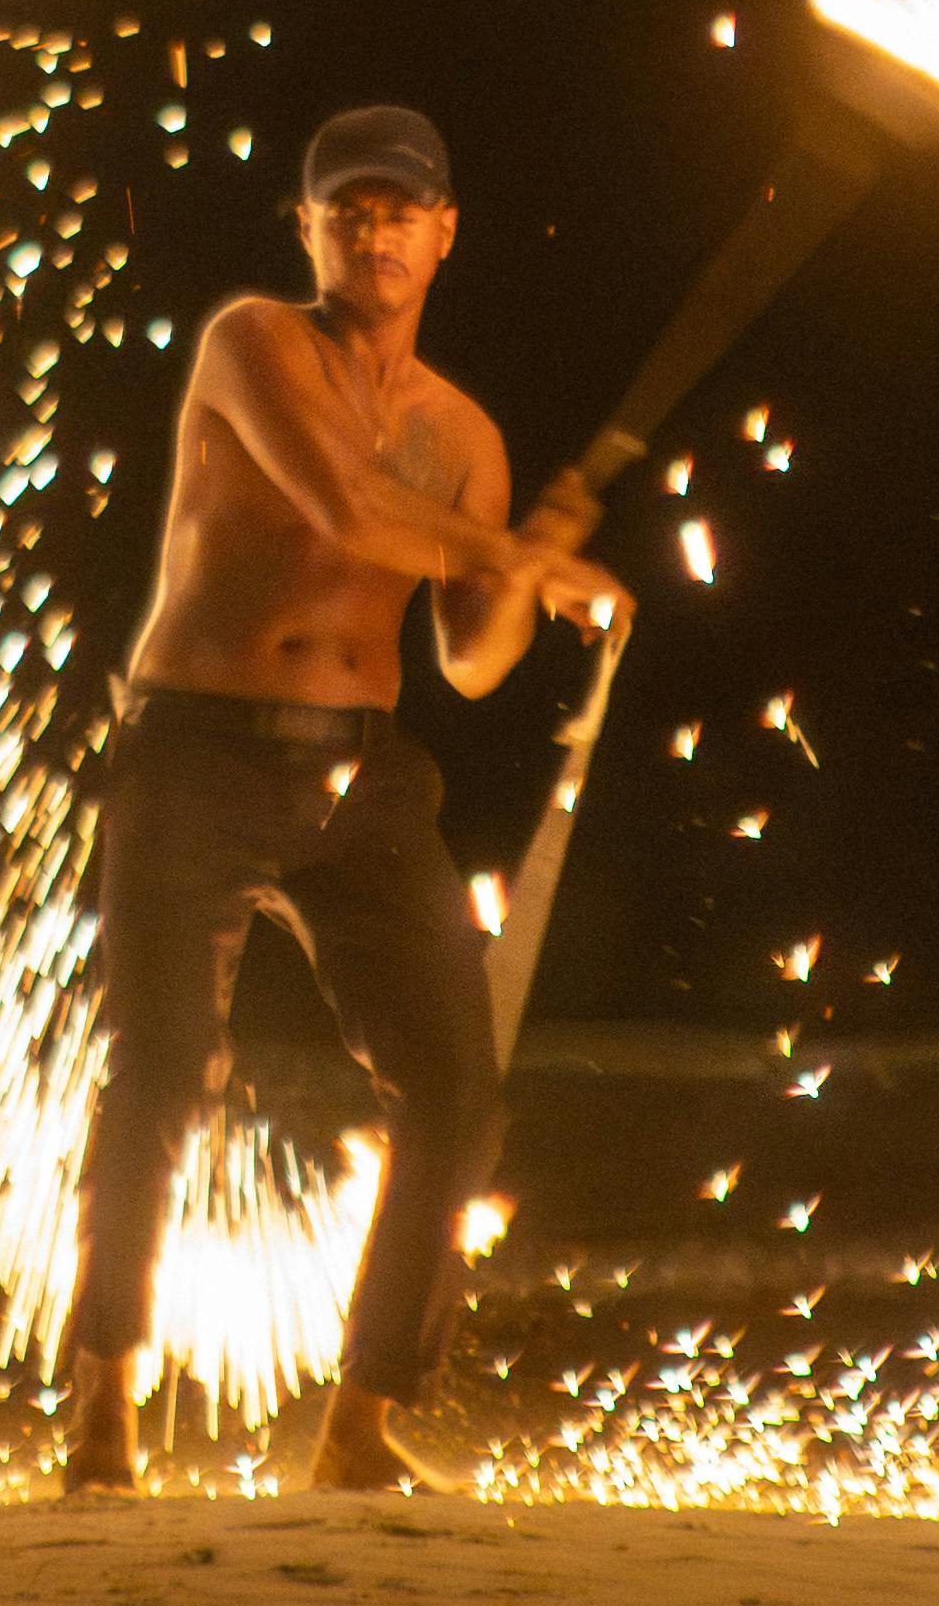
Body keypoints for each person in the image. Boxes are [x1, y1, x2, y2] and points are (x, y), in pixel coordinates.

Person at [55, 101, 625, 1499]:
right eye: (346, 208)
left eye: (400, 210)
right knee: (164, 1068)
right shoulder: (252, 342)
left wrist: (525, 576)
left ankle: (362, 1422)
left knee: (455, 1089)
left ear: (444, 235)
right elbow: (345, 512)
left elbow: (473, 664)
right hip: (196, 747)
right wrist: (501, 549)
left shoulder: (465, 433)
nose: (373, 231)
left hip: (364, 771)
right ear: (307, 230)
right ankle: (103, 1408)